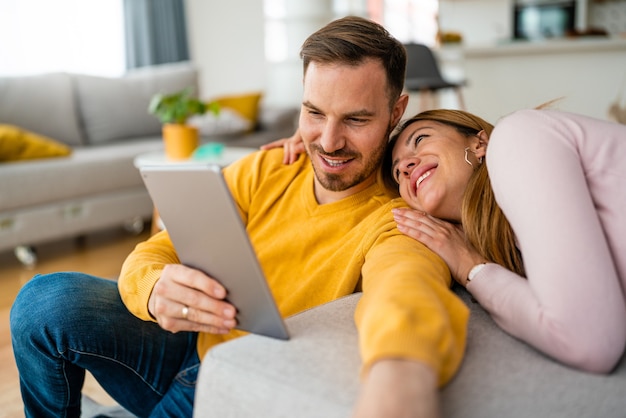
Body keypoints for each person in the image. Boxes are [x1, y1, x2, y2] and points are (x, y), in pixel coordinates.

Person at [10, 17, 469, 418]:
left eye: (356, 119)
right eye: (314, 112)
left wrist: (400, 379)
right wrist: (152, 290)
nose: (328, 141)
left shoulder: (396, 218)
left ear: (396, 112)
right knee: (41, 301)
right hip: (185, 341)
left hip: (233, 384)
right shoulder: (272, 166)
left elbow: (405, 293)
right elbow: (160, 246)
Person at [271, 107, 626, 374]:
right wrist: (319, 149)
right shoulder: (506, 237)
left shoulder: (518, 138)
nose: (407, 166)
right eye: (398, 173)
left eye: (421, 139)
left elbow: (590, 343)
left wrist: (471, 267)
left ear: (480, 141)